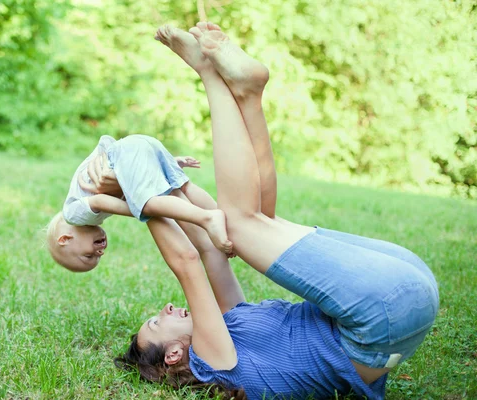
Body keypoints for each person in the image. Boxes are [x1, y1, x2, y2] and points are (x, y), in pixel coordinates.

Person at [111, 22, 439, 400]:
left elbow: (207, 247)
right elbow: (186, 261)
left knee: (253, 223)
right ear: (173, 354)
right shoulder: (215, 363)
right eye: (156, 321)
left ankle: (249, 96)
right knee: (242, 224)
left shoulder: (236, 326)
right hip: (378, 318)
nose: (165, 308)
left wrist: (171, 186)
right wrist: (142, 199)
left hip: (403, 296)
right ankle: (211, 76)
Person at [47, 133, 233, 272]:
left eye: (89, 255)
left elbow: (100, 200)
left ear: (65, 239)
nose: (100, 253)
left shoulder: (72, 215)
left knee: (148, 204)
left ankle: (207, 218)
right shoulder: (86, 217)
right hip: (138, 147)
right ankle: (231, 227)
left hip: (124, 155)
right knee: (184, 187)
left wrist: (137, 208)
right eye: (97, 258)